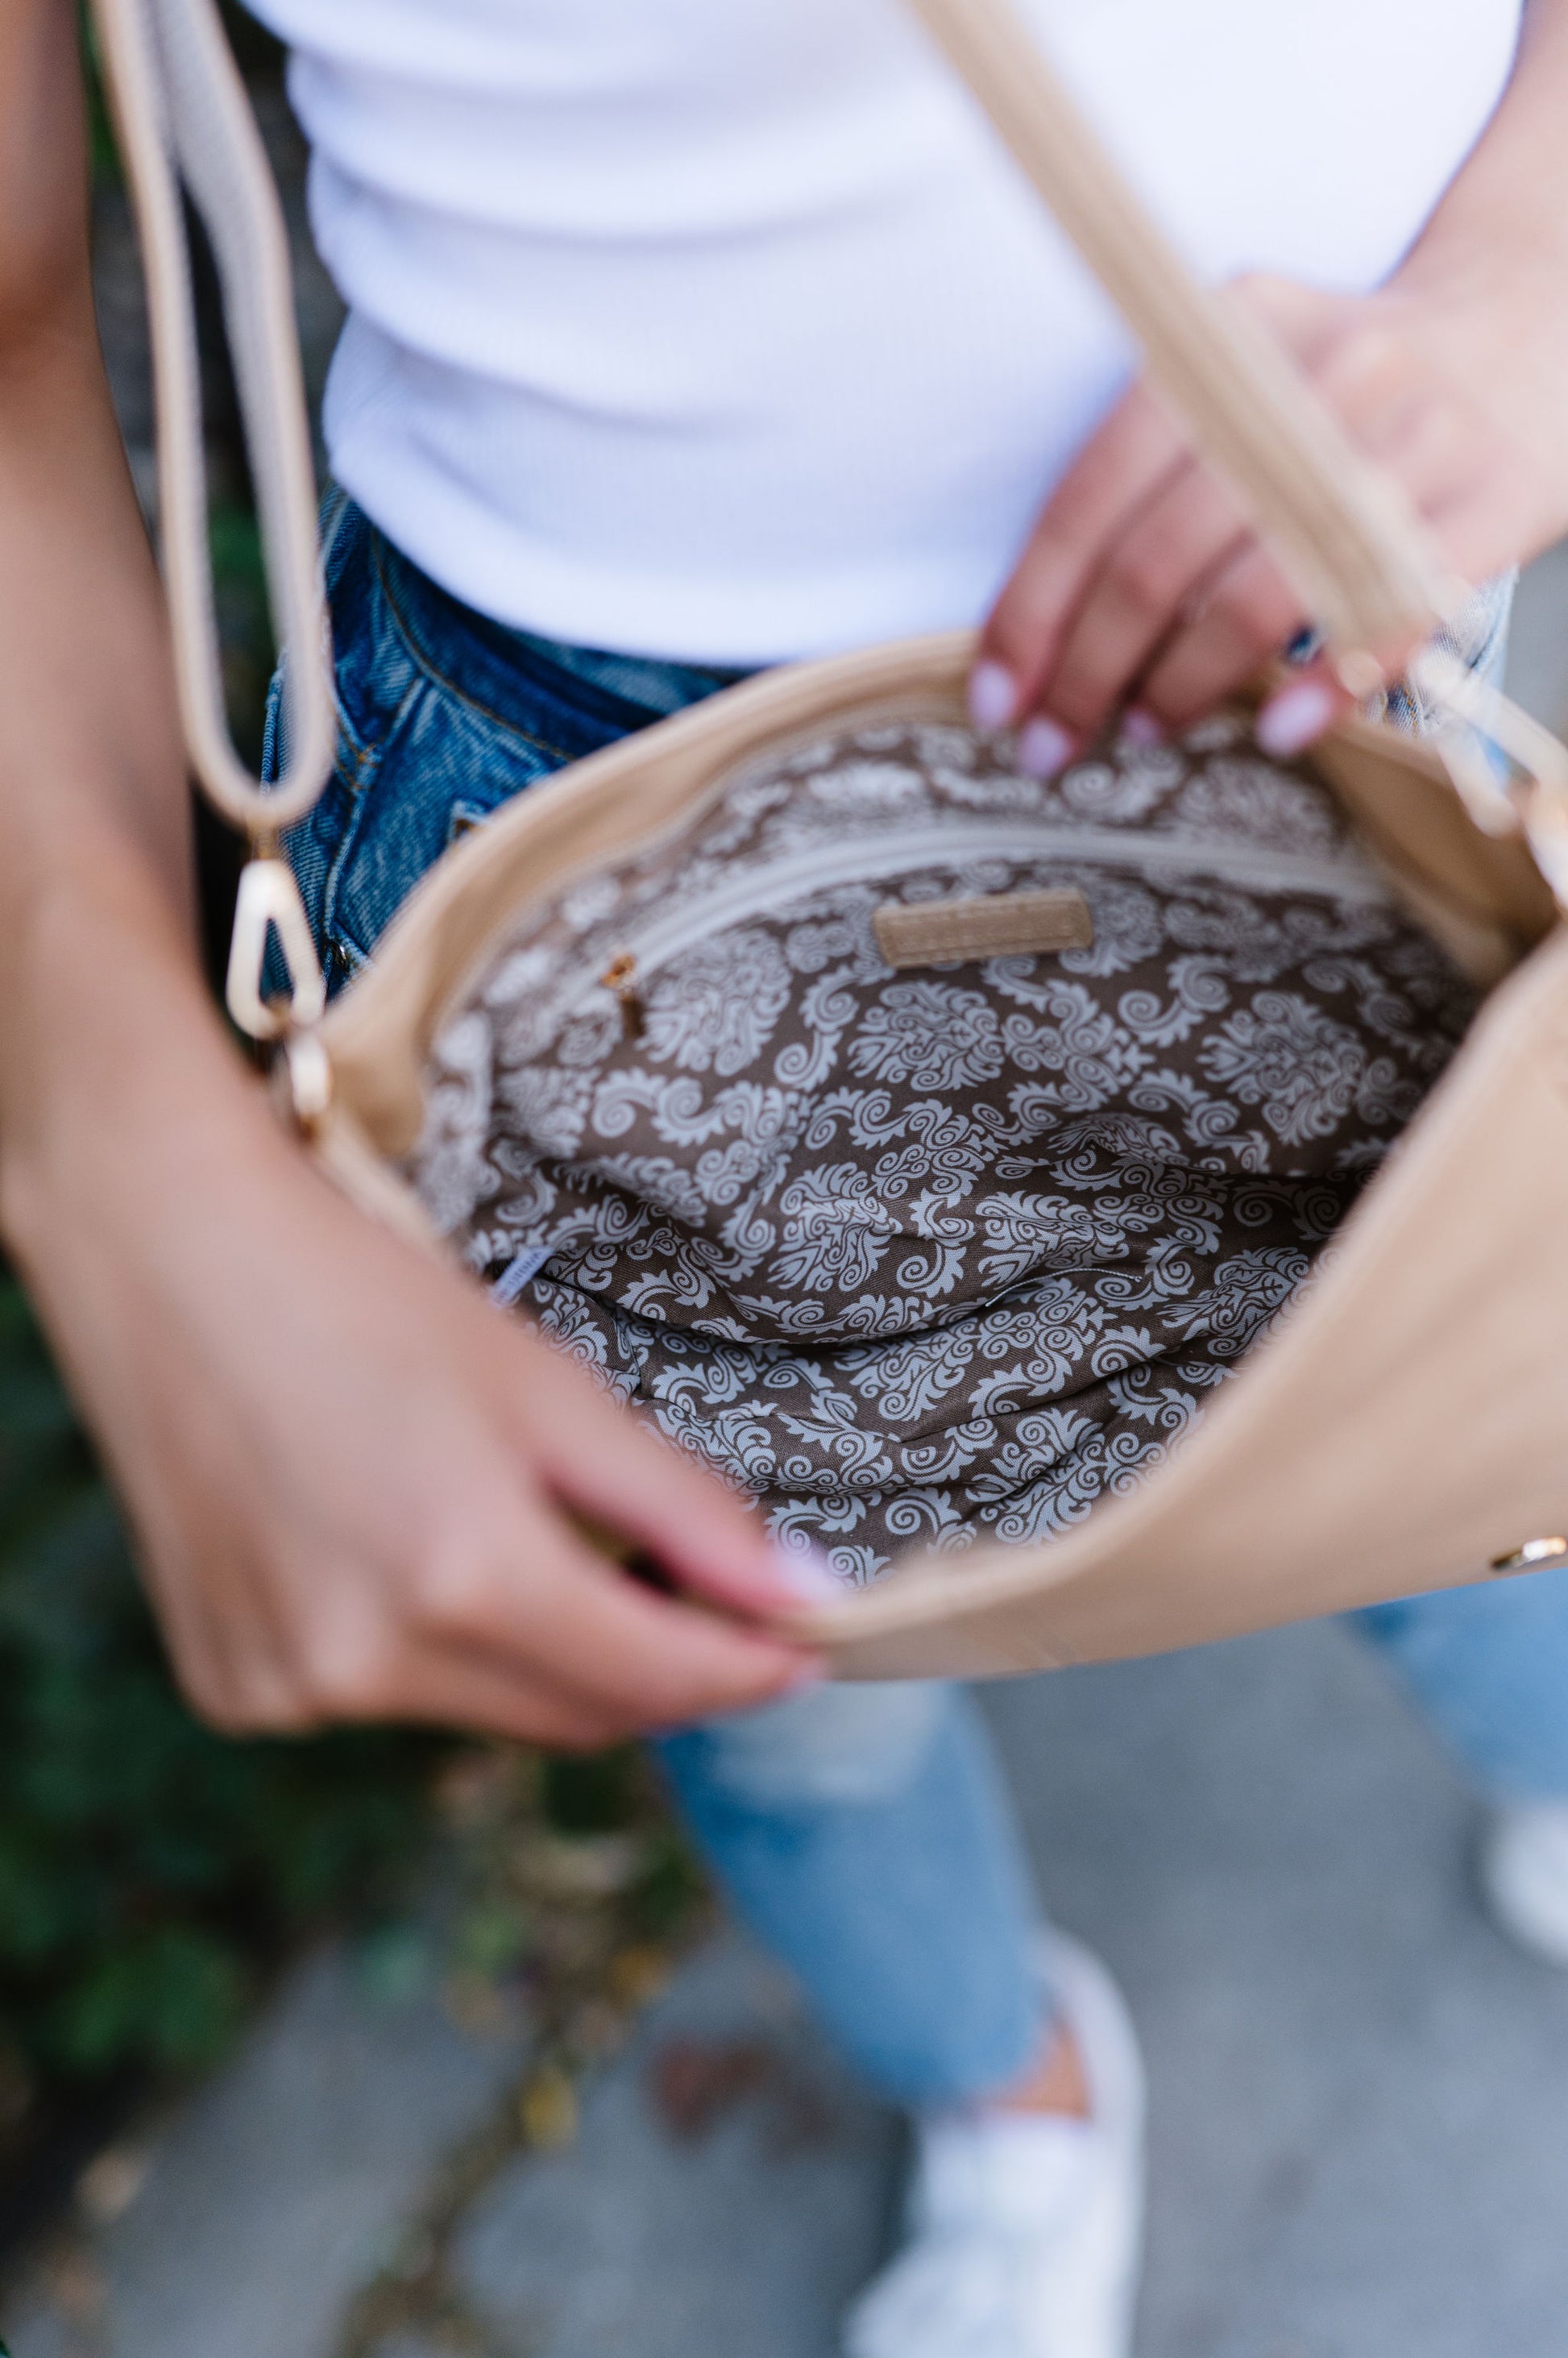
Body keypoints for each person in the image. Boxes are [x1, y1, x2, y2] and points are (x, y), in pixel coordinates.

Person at [4, 2, 1568, 2350]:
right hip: (567, 794)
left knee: (1408, 1415)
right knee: (764, 1663)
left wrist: (1529, 282)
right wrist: (119, 1168)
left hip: (1328, 606)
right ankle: (995, 2087)